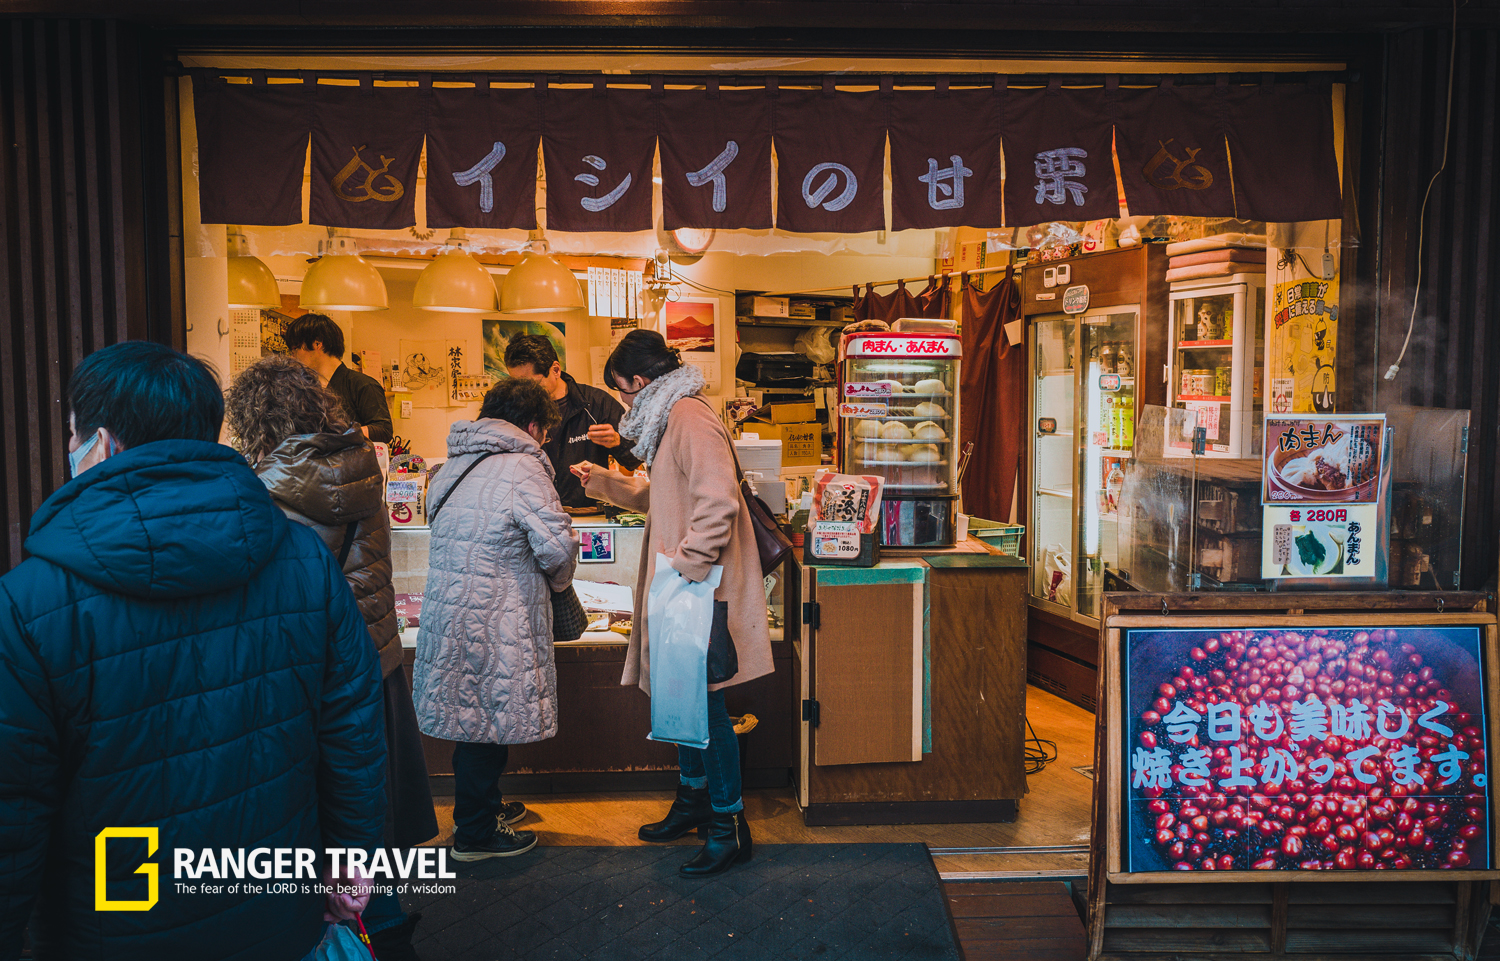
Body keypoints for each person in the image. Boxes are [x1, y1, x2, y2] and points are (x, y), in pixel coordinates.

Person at [0, 341, 385, 961]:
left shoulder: (30, 602)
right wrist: (351, 865)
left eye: (73, 433)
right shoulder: (301, 560)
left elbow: (12, 809)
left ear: (101, 444)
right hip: (276, 906)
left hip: (113, 920)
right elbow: (352, 728)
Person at [225, 355, 438, 961]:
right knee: (372, 810)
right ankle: (387, 926)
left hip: (315, 670)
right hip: (377, 656)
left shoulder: (266, 485)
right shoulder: (359, 465)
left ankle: (345, 934)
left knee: (324, 814)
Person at [572, 330, 772, 877]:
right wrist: (605, 483)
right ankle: (692, 804)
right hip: (682, 584)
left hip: (697, 587)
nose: (628, 405)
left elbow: (718, 500)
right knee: (681, 699)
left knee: (704, 704)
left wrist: (687, 564)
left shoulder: (687, 416)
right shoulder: (670, 418)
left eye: (626, 394)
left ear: (641, 382)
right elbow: (663, 494)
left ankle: (728, 824)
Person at [412, 378, 579, 861]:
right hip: (496, 613)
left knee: (474, 719)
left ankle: (482, 809)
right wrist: (563, 580)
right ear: (531, 425)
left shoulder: (451, 465)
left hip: (450, 609)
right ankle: (476, 833)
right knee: (486, 723)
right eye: (544, 430)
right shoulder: (524, 467)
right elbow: (556, 546)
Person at [504, 334, 641, 509]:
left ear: (555, 370)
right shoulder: (513, 412)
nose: (524, 391)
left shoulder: (597, 404)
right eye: (517, 384)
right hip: (534, 515)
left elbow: (634, 459)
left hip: (589, 515)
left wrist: (617, 442)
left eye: (532, 383)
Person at [283, 311, 394, 442]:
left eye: (295, 349)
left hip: (350, 460)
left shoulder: (362, 384)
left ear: (318, 344)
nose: (292, 356)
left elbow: (383, 430)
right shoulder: (305, 388)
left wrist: (339, 437)